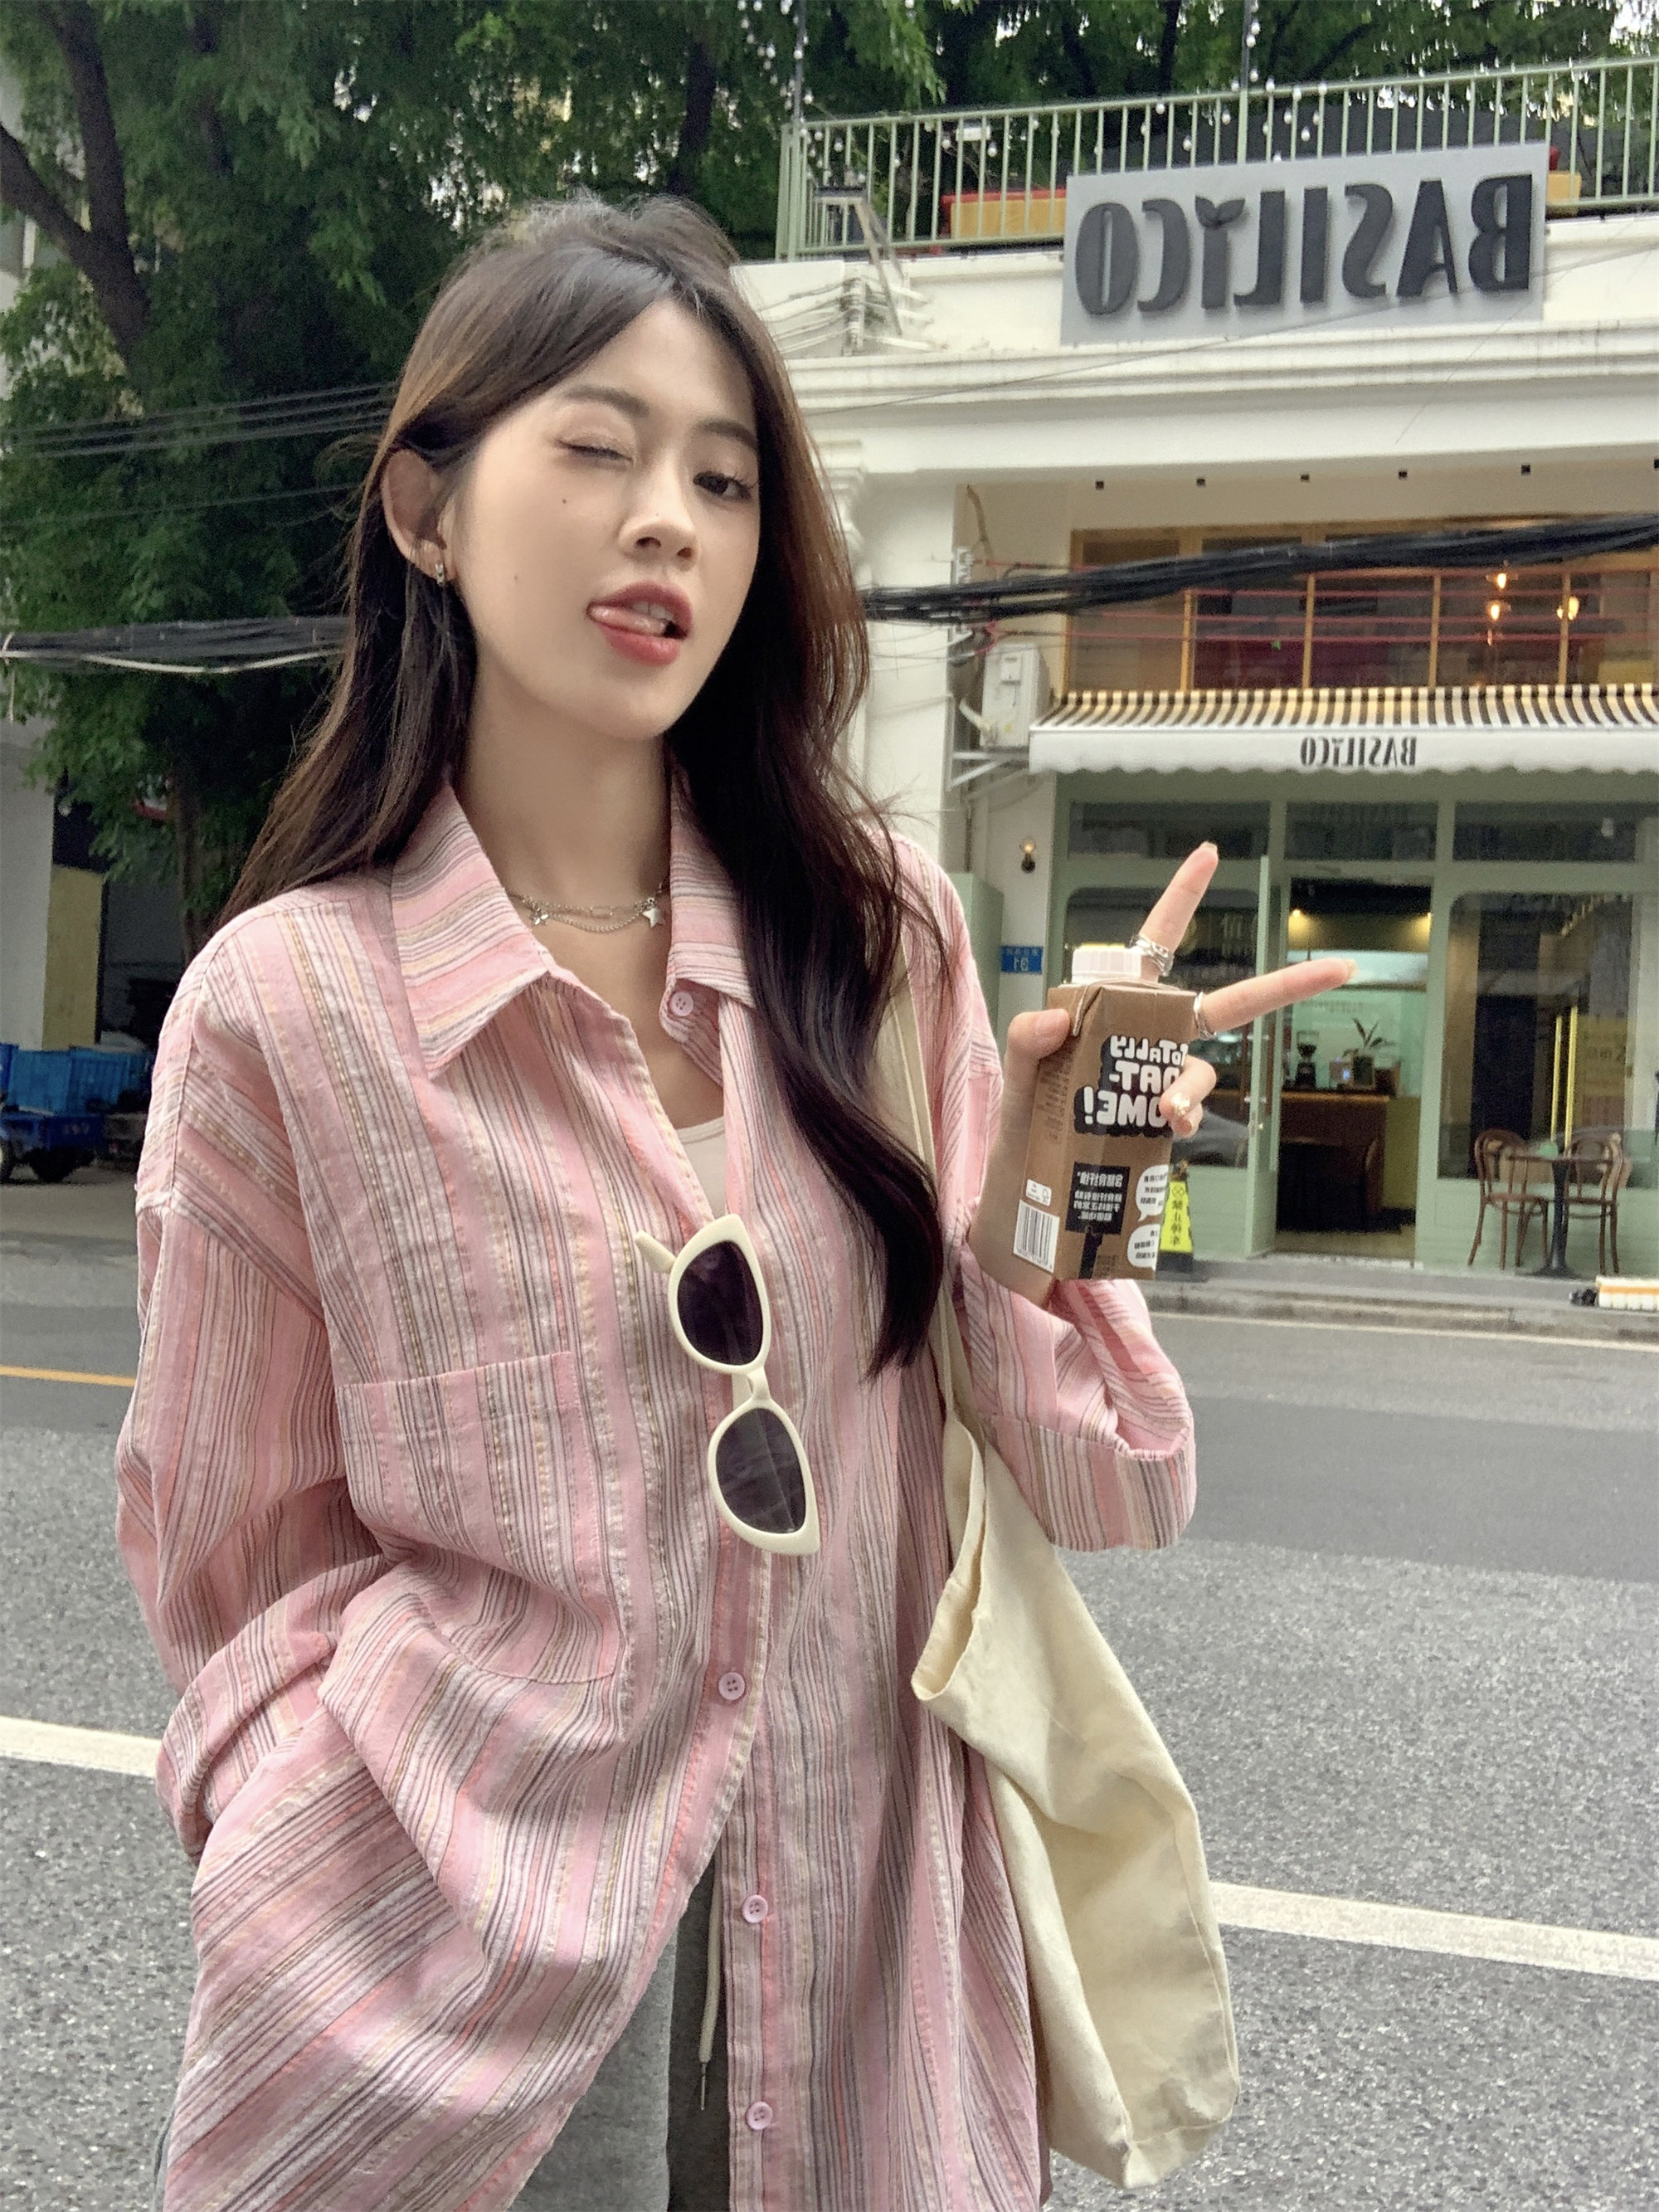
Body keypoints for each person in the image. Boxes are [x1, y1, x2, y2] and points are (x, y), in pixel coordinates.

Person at [119, 196, 1350, 2212]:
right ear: (425, 511)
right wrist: (313, 1865)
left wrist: (1066, 1196)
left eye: (722, 479)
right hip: (455, 1972)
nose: (666, 525)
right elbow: (235, 1576)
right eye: (595, 451)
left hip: (859, 1945)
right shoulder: (289, 1012)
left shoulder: (878, 943)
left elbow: (1113, 1482)